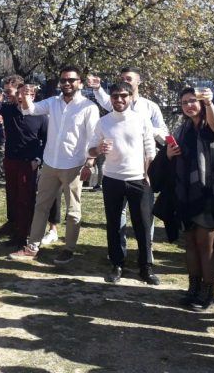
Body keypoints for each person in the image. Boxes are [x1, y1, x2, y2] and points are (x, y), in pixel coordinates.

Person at [9, 66, 99, 264]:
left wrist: (89, 162)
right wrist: (25, 96)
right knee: (41, 206)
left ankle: (68, 249)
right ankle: (32, 246)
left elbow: (94, 137)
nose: (67, 83)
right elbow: (29, 110)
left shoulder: (88, 107)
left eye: (71, 80)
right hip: (51, 163)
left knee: (73, 210)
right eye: (64, 80)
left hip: (74, 165)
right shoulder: (53, 102)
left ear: (80, 83)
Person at [86, 82, 158, 284]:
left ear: (130, 97)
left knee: (143, 225)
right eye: (115, 96)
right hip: (112, 179)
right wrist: (98, 149)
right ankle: (117, 264)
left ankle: (146, 267)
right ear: (110, 98)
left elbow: (150, 149)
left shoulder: (141, 119)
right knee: (114, 225)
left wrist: (147, 173)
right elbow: (90, 150)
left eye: (123, 96)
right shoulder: (103, 122)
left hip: (139, 180)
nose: (119, 99)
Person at [165, 86, 214, 310]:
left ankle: (208, 294)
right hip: (185, 194)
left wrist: (210, 103)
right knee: (190, 243)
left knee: (206, 245)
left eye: (193, 101)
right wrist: (169, 154)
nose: (189, 105)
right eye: (184, 102)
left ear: (201, 103)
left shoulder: (210, 127)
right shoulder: (182, 129)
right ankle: (193, 289)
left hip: (208, 192)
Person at [0, 79, 48, 247]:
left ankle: (24, 236)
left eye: (26, 93)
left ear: (33, 95)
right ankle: (15, 229)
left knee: (26, 199)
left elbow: (46, 140)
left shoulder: (41, 116)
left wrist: (38, 159)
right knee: (13, 197)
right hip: (11, 161)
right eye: (19, 93)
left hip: (29, 163)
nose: (21, 96)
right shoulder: (10, 110)